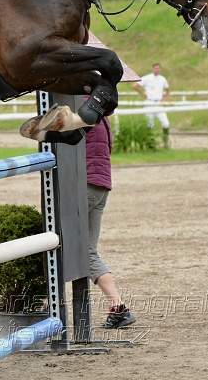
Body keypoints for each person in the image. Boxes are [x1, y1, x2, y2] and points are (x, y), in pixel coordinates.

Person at [84, 104, 136, 330]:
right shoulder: (101, 114)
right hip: (101, 186)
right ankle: (119, 308)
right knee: (87, 251)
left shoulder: (78, 109)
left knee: (54, 242)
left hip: (84, 186)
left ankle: (44, 307)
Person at [133, 62, 171, 140]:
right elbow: (135, 85)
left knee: (166, 123)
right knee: (149, 124)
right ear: (153, 69)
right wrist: (144, 94)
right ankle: (150, 141)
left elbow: (167, 89)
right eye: (156, 68)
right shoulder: (147, 78)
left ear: (160, 69)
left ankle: (165, 141)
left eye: (158, 68)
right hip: (149, 102)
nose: (157, 70)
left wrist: (164, 99)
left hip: (158, 103)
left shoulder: (162, 79)